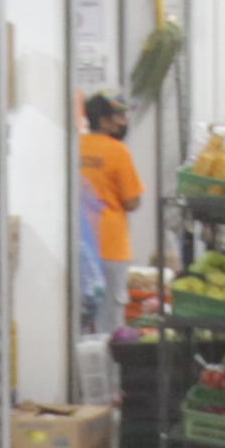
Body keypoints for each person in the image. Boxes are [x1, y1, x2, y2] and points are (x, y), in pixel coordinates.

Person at [77, 91, 145, 335]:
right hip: (111, 247)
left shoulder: (74, 146)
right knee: (109, 322)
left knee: (80, 319)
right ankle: (108, 371)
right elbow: (132, 201)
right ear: (104, 121)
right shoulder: (118, 151)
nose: (124, 122)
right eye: (119, 116)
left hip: (80, 246)